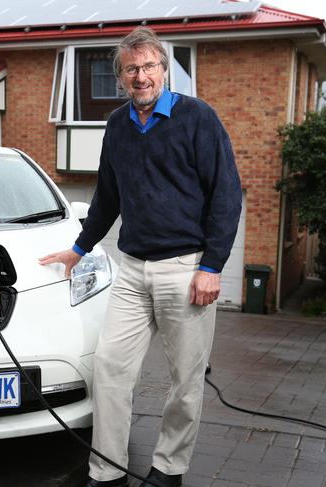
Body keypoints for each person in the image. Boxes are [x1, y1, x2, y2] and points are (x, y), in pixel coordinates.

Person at [39, 27, 242, 487]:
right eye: (132, 69)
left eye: (149, 66)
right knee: (109, 367)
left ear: (164, 71)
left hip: (186, 270)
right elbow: (107, 196)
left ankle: (169, 470)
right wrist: (78, 248)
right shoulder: (117, 125)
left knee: (185, 380)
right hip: (131, 270)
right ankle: (107, 471)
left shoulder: (198, 118)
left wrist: (211, 267)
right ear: (122, 77)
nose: (141, 76)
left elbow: (225, 195)